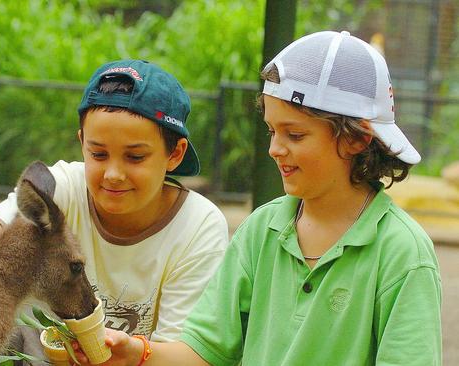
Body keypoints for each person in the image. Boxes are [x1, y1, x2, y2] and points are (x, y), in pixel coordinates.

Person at [81, 31, 443, 366]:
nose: (274, 149)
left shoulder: (402, 254)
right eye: (272, 130)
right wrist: (137, 352)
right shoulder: (261, 229)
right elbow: (205, 351)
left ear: (357, 138)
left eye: (295, 134)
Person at [0, 59, 230, 344]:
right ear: (82, 141)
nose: (113, 175)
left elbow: (179, 349)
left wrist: (134, 356)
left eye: (135, 157)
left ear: (175, 154)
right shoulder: (66, 186)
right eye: (98, 154)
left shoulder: (198, 226)